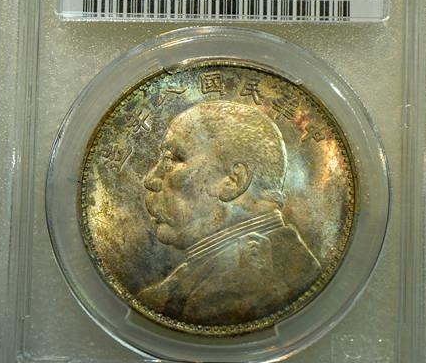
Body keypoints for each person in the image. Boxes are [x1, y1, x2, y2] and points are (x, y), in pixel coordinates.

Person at [137, 100, 321, 326]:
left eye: (172, 159)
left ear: (234, 181)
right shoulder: (288, 269)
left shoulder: (252, 285)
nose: (150, 180)